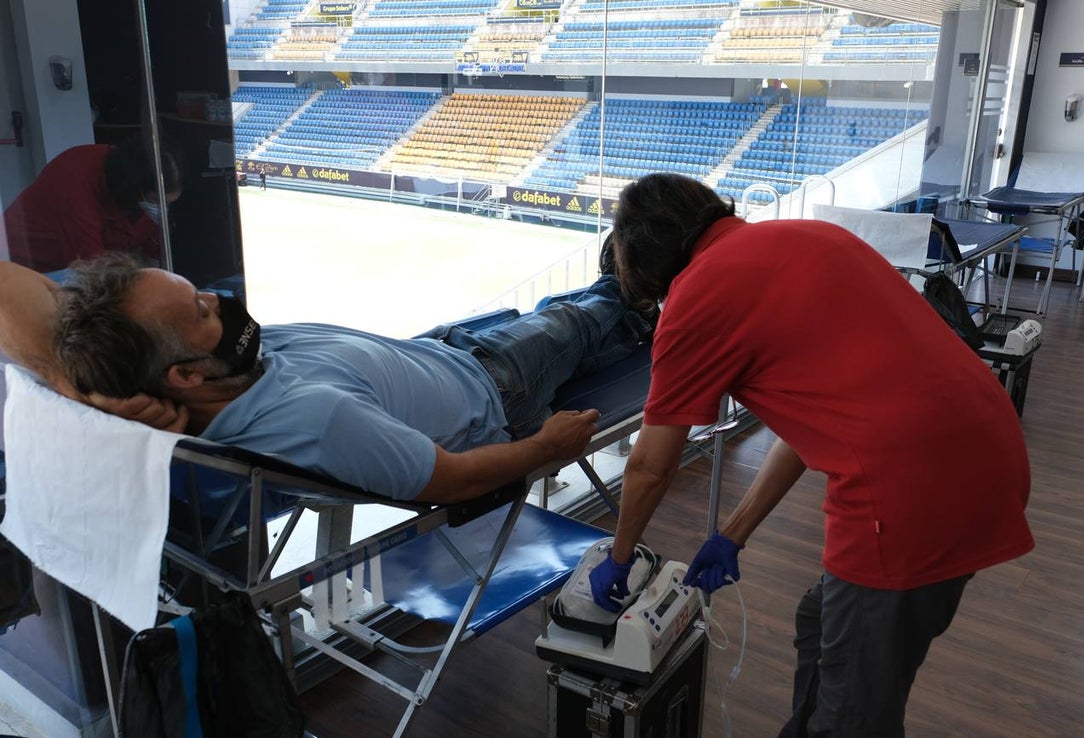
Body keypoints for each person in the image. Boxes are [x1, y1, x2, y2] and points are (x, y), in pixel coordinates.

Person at [588, 173, 1034, 738]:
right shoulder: (807, 238)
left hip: (910, 492)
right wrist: (732, 533)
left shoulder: (699, 293)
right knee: (820, 619)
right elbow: (814, 427)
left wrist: (619, 557)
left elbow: (648, 466)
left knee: (854, 717)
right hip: (988, 453)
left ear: (649, 260)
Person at [0, 254, 651, 504]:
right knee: (577, 320)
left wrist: (69, 380)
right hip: (492, 385)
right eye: (201, 310)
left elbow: (14, 291)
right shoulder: (319, 421)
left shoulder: (200, 374)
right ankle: (635, 295)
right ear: (186, 373)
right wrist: (550, 447)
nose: (218, 299)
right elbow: (452, 480)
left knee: (572, 321)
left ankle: (623, 303)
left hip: (438, 352)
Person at [2, 136, 182, 273]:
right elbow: (93, 271)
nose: (161, 209)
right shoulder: (76, 184)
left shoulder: (139, 183)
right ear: (136, 189)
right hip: (21, 265)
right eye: (157, 201)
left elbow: (156, 247)